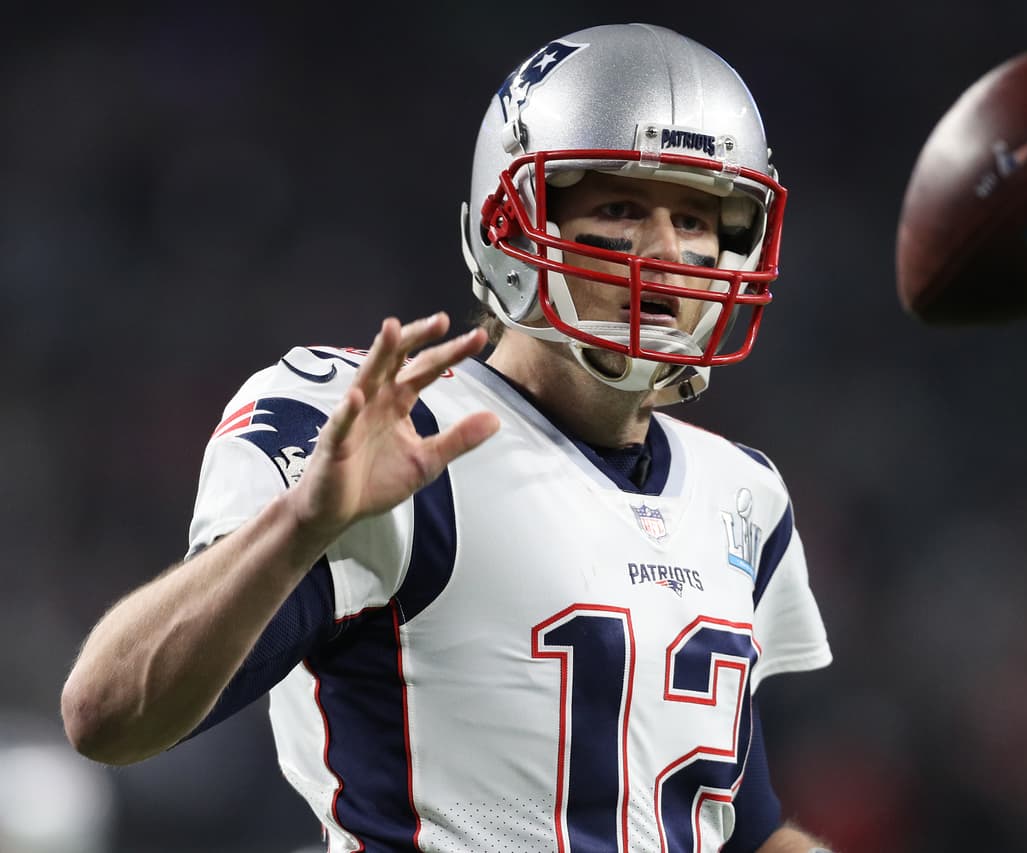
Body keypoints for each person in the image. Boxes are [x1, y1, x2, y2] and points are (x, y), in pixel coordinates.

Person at [61, 22, 834, 853]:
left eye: (696, 217)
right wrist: (299, 525)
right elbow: (108, 716)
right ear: (513, 222)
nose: (666, 251)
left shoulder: (741, 494)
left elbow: (733, 824)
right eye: (617, 206)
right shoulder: (395, 431)